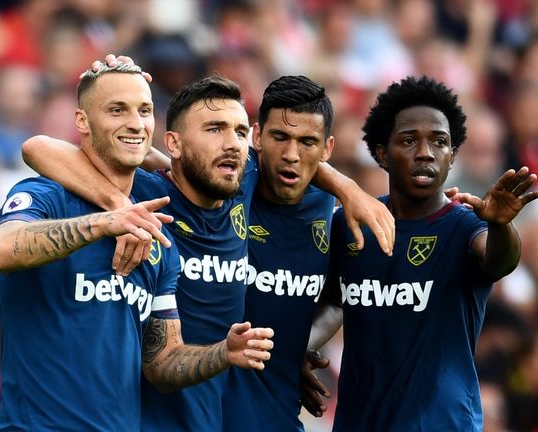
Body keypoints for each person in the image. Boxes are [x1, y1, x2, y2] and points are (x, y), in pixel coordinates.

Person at [22, 55, 394, 431]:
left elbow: (296, 159)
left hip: (259, 414)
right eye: (215, 129)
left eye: (236, 132)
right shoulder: (151, 194)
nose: (231, 144)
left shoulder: (248, 183)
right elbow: (37, 148)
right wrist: (120, 207)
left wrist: (348, 188)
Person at [0, 62, 273, 431]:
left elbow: (161, 362)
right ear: (82, 121)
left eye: (144, 110)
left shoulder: (157, 235)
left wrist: (224, 353)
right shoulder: (46, 195)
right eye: (116, 110)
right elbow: (3, 248)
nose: (136, 123)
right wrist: (106, 221)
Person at [305, 75, 538, 430]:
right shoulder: (350, 226)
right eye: (409, 140)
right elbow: (336, 302)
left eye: (439, 142)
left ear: (452, 156)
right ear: (382, 153)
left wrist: (500, 225)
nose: (425, 153)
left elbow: (499, 260)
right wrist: (296, 351)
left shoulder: (464, 227)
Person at [221, 75, 336, 432]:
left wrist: (297, 346)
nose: (291, 155)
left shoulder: (328, 210)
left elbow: (339, 299)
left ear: (327, 149)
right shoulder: (224, 188)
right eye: (279, 137)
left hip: (280, 418)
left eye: (307, 142)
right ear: (256, 137)